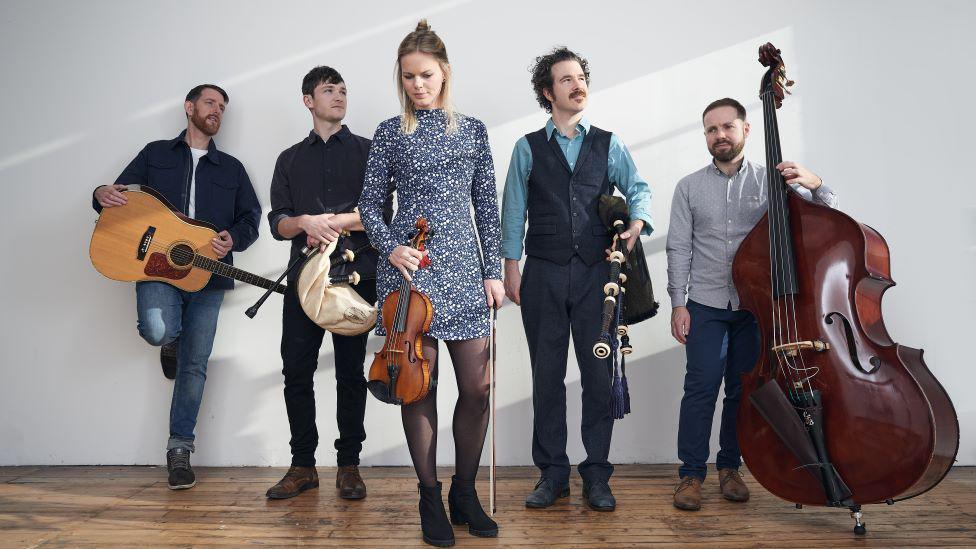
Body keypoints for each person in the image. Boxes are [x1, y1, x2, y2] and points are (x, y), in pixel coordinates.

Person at [358, 19, 503, 547]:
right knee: (418, 385)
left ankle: (464, 492)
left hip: (464, 269)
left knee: (477, 386)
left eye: (425, 75)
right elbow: (370, 205)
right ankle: (428, 495)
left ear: (444, 73)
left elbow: (486, 206)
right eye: (408, 78)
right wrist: (388, 244)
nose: (417, 85)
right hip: (408, 272)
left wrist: (492, 271)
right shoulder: (390, 132)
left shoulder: (473, 130)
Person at [500, 47, 653, 512]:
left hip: (596, 276)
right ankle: (552, 474)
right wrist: (511, 266)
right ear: (548, 93)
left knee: (597, 376)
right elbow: (513, 211)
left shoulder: (608, 143)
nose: (577, 84)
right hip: (542, 272)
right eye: (565, 79)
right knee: (546, 376)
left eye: (580, 76)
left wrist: (637, 222)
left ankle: (597, 475)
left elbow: (640, 187)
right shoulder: (527, 147)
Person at [666, 97, 838, 511]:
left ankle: (730, 468)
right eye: (711, 129)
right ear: (705, 136)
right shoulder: (689, 187)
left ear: (746, 130)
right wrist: (678, 303)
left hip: (756, 307)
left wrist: (816, 184)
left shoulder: (773, 181)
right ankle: (690, 474)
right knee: (700, 388)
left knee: (741, 392)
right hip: (706, 303)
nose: (719, 135)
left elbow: (827, 218)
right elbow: (678, 248)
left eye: (727, 127)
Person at [91, 84, 261, 489]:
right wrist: (98, 194)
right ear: (189, 108)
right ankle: (171, 339)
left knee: (195, 366)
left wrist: (232, 239)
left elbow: (251, 219)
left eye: (222, 107)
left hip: (210, 275)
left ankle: (179, 448)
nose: (217, 111)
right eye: (209, 103)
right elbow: (118, 198)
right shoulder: (154, 154)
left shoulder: (232, 169)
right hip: (155, 268)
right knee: (158, 329)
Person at [265, 66, 391, 501]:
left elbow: (382, 215)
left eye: (343, 90)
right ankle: (303, 466)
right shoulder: (289, 159)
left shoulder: (370, 151)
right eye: (328, 91)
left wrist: (333, 221)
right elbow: (277, 221)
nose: (338, 96)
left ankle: (349, 466)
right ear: (308, 101)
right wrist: (301, 222)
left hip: (359, 278)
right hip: (303, 281)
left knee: (350, 374)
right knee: (296, 371)